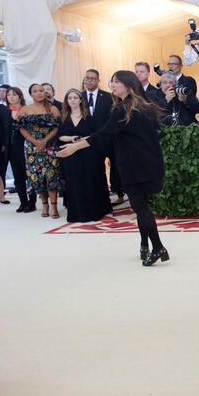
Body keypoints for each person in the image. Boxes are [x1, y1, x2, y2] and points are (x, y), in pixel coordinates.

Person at [58, 71, 168, 266]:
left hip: (133, 164)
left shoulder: (124, 109)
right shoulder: (144, 105)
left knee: (140, 207)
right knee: (141, 205)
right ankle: (144, 244)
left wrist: (75, 146)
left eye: (116, 82)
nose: (112, 85)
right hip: (149, 161)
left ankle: (158, 247)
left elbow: (103, 135)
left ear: (128, 84)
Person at [57, 89, 112, 222]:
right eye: (70, 98)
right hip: (70, 155)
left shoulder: (90, 117)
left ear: (81, 100)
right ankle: (77, 212)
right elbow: (60, 136)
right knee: (74, 183)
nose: (73, 100)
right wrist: (72, 138)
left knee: (90, 181)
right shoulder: (63, 118)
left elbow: (96, 135)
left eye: (75, 98)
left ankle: (94, 211)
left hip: (89, 154)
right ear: (66, 101)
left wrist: (82, 140)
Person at [16, 84, 63, 218]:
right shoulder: (25, 109)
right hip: (32, 147)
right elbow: (21, 128)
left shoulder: (53, 109)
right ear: (31, 94)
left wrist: (44, 141)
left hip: (50, 146)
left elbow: (57, 128)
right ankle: (45, 206)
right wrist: (35, 141)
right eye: (35, 91)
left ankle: (54, 207)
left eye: (41, 90)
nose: (39, 93)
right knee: (38, 177)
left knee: (51, 176)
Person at [82, 68, 123, 204]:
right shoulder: (79, 97)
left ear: (98, 80)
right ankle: (99, 193)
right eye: (87, 78)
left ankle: (119, 192)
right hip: (88, 139)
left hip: (108, 138)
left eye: (93, 78)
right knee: (95, 167)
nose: (89, 81)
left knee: (115, 166)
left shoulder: (109, 97)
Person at [5, 87, 35, 212]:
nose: (11, 97)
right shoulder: (6, 111)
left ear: (20, 96)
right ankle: (23, 201)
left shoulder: (26, 110)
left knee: (30, 175)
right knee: (18, 176)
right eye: (9, 95)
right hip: (12, 147)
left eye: (14, 94)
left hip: (26, 145)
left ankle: (32, 202)